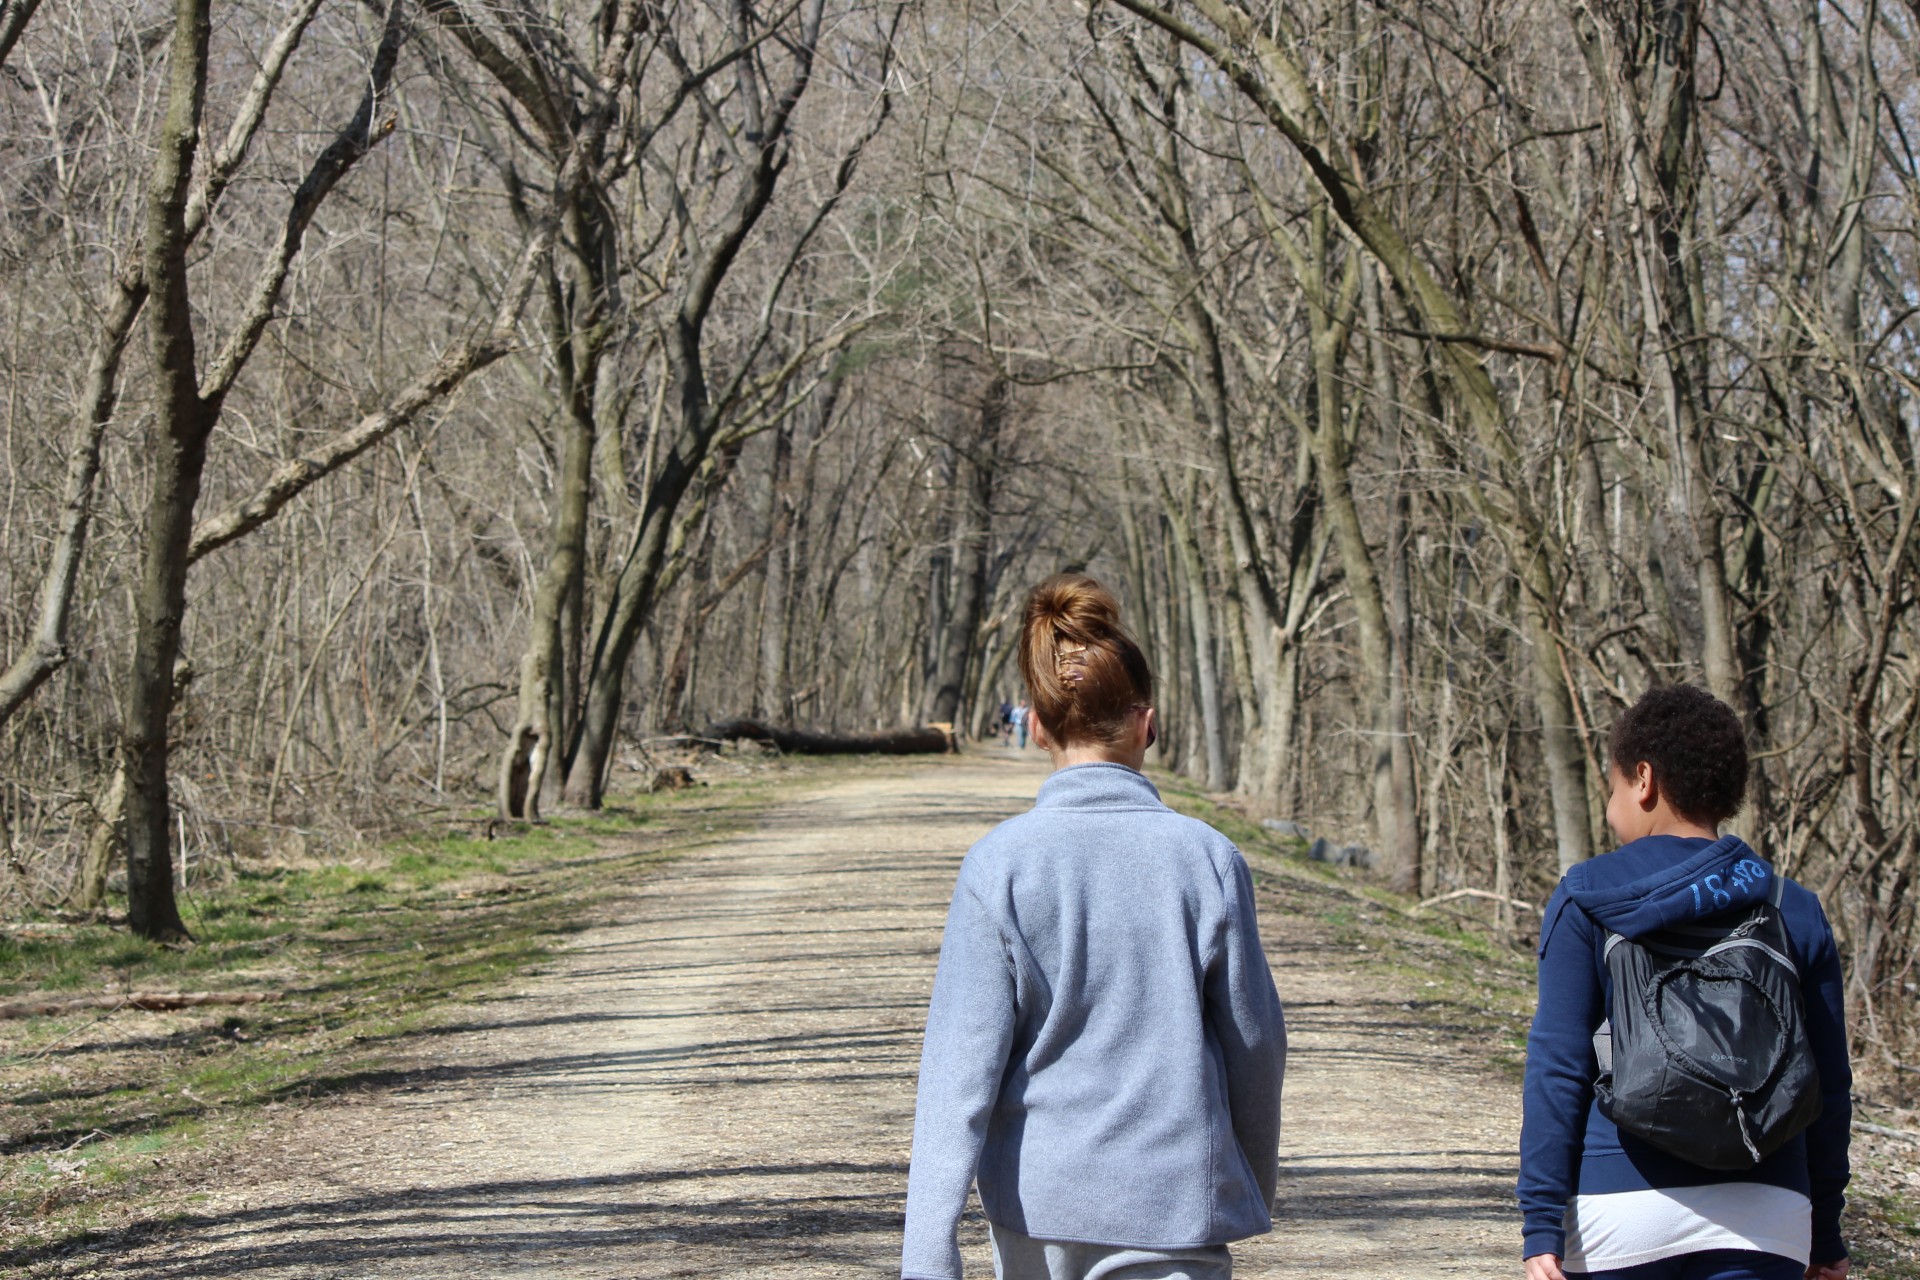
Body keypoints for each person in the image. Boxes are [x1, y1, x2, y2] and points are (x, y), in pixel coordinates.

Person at [901, 573, 1287, 1280]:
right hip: (1175, 1209)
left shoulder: (999, 867)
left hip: (1036, 1215)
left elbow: (958, 1072)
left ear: (1038, 727)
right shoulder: (1206, 858)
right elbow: (1255, 1045)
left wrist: (928, 1253)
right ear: (1149, 724)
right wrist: (1248, 1182)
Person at [1519, 685, 1852, 1280]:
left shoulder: (1588, 896)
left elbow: (1559, 1065)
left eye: (1614, 785)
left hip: (1620, 1202)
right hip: (1770, 1211)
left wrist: (1541, 1218)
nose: (1611, 802)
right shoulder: (1792, 906)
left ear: (1643, 779)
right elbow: (1827, 1085)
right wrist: (1823, 1229)